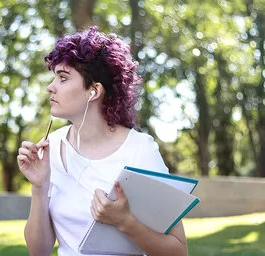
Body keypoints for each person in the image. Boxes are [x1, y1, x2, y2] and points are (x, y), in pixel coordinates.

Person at [17, 26, 188, 256]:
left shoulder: (140, 150)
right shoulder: (51, 149)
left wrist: (125, 222)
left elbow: (179, 252)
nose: (51, 87)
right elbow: (39, 252)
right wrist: (39, 187)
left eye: (63, 78)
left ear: (94, 91)